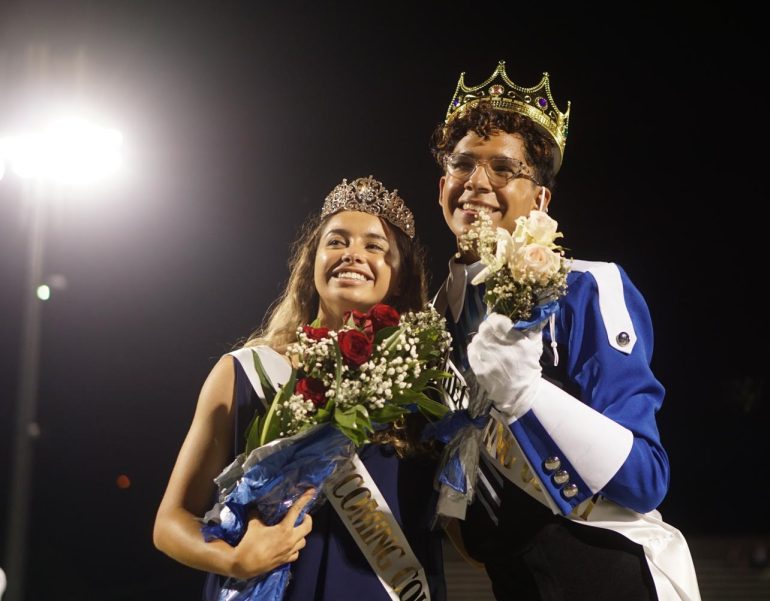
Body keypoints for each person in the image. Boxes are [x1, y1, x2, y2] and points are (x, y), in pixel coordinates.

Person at [429, 61, 700, 600]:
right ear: (443, 186)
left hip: (611, 577)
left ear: (542, 200)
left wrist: (525, 395)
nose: (478, 183)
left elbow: (646, 479)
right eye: (463, 165)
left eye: (504, 169)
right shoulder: (433, 319)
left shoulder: (588, 288)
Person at [153, 176, 446, 600]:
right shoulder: (246, 373)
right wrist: (233, 560)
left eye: (374, 246)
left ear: (400, 276)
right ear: (312, 262)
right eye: (337, 241)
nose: (353, 255)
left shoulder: (426, 389)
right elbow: (170, 523)